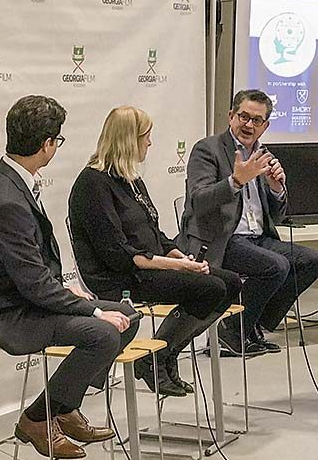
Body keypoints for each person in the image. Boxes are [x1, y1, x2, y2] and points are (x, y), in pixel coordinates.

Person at [0, 95, 138, 460]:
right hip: (8, 310)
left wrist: (66, 289)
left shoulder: (11, 179)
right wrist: (89, 310)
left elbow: (33, 269)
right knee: (104, 331)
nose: (56, 147)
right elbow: (32, 284)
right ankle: (37, 419)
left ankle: (63, 406)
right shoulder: (7, 198)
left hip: (28, 295)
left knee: (128, 316)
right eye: (57, 141)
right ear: (47, 145)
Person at [68, 107, 241, 396]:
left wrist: (179, 257)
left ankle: (161, 355)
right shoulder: (92, 184)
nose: (149, 144)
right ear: (128, 139)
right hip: (121, 277)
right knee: (209, 288)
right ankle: (160, 356)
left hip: (147, 266)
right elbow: (119, 254)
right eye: (145, 137)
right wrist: (178, 268)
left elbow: (154, 234)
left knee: (231, 283)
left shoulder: (131, 179)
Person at [178, 89, 318, 355]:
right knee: (276, 266)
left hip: (258, 238)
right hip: (222, 240)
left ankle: (250, 324)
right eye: (244, 117)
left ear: (265, 126)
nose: (249, 125)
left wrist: (276, 188)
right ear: (231, 116)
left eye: (257, 120)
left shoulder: (263, 155)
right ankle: (233, 329)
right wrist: (235, 181)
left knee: (311, 261)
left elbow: (277, 217)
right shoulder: (208, 149)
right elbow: (199, 201)